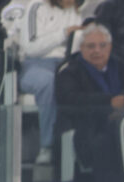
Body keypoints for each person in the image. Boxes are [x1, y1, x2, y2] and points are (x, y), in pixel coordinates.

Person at [56, 23, 124, 182]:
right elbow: (68, 100)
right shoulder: (69, 71)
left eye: (102, 45)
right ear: (81, 48)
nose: (97, 50)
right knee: (104, 145)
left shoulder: (120, 66)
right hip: (87, 129)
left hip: (122, 127)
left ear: (109, 47)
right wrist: (108, 103)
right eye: (91, 46)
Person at [18, 0, 82, 165]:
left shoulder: (76, 10)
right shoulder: (36, 6)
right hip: (36, 64)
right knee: (48, 82)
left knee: (81, 80)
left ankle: (79, 148)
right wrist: (64, 34)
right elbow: (31, 46)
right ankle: (47, 146)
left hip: (67, 62)